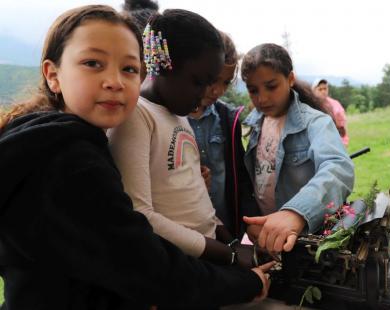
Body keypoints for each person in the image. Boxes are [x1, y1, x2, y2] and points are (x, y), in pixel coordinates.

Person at [0, 5, 272, 309]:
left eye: (129, 68)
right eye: (92, 63)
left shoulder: (70, 143)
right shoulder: (66, 162)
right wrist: (241, 278)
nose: (115, 81)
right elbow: (147, 265)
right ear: (53, 75)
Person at [108, 9, 256, 268]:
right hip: (180, 265)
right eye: (198, 82)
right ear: (163, 64)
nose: (204, 95)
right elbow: (141, 215)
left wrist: (230, 242)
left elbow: (198, 201)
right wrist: (229, 256)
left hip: (210, 255)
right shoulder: (137, 117)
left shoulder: (179, 115)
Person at [240, 43, 355, 254]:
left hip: (309, 237)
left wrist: (296, 213)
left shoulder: (316, 123)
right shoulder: (254, 124)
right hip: (269, 236)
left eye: (271, 86)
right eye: (253, 90)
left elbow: (338, 168)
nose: (262, 98)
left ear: (290, 79)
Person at [187, 31, 258, 240]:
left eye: (226, 82)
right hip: (187, 232)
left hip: (227, 230)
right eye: (212, 80)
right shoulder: (171, 117)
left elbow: (240, 177)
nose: (217, 90)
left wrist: (250, 220)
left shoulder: (228, 119)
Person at [312, 78, 349, 146]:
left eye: (325, 88)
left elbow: (342, 126)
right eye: (320, 89)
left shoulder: (336, 104)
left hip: (335, 143)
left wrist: (344, 142)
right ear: (314, 90)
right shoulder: (310, 106)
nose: (323, 91)